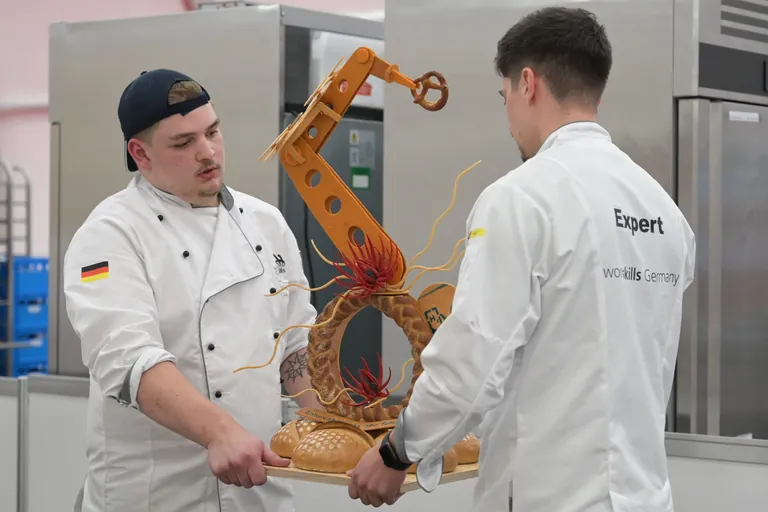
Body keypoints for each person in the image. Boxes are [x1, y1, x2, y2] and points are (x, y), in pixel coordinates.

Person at [347, 7, 696, 512]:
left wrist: (398, 450)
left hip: (549, 499)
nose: (508, 112)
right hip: (644, 497)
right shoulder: (663, 210)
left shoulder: (521, 197)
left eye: (503, 93)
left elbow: (474, 358)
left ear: (526, 83)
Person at [65, 68, 323, 512]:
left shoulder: (266, 223)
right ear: (140, 154)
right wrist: (219, 432)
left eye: (213, 132)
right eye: (184, 143)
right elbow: (128, 359)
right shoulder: (110, 235)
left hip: (259, 491)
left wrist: (339, 425)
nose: (209, 153)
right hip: (155, 496)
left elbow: (296, 343)